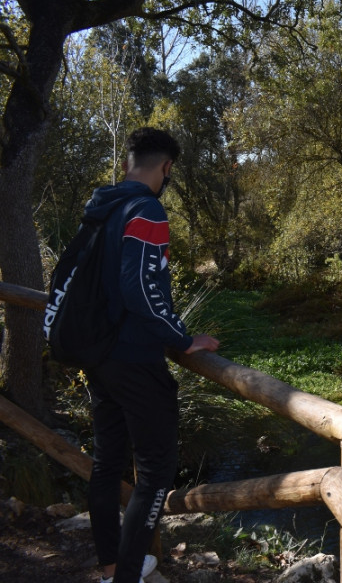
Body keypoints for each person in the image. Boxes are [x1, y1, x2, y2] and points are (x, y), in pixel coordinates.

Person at [83, 127, 220, 583]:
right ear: (165, 167)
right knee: (157, 469)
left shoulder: (102, 207)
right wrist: (183, 340)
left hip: (98, 353)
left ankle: (110, 569)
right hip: (135, 357)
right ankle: (125, 577)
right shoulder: (146, 209)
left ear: (128, 162)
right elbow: (141, 287)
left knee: (107, 463)